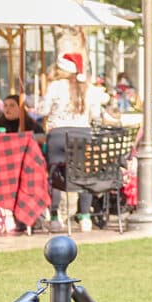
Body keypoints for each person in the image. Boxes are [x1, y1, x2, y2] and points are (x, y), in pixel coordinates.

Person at [39, 51, 105, 226]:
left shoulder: (55, 86)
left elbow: (43, 110)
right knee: (84, 175)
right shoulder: (89, 88)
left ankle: (55, 217)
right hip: (82, 135)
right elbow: (96, 114)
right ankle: (85, 217)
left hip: (58, 135)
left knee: (54, 175)